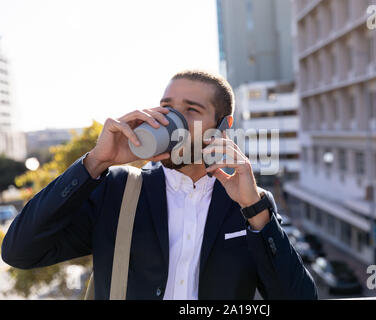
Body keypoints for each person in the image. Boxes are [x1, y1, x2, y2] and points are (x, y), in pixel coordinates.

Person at [1, 70, 318, 300]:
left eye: (191, 110)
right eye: (167, 107)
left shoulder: (249, 202)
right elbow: (19, 252)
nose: (172, 119)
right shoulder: (117, 189)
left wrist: (255, 210)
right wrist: (95, 162)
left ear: (223, 126)